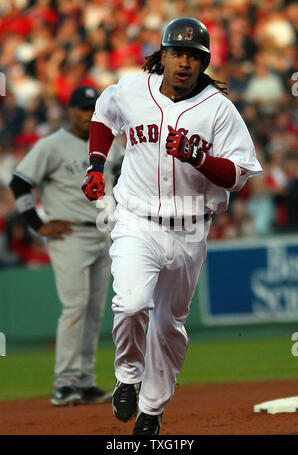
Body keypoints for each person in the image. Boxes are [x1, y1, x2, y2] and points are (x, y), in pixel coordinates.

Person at [81, 18, 263, 434]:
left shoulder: (219, 109)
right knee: (130, 303)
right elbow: (103, 116)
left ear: (204, 63)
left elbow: (238, 174)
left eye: (194, 57)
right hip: (136, 220)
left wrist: (200, 158)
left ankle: (151, 409)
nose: (184, 63)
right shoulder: (131, 89)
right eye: (178, 53)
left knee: (167, 326)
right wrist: (95, 164)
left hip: (190, 230)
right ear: (162, 55)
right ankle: (128, 375)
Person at [9, 86, 115, 407]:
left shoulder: (108, 143)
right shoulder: (52, 145)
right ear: (70, 111)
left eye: (93, 108)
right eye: (83, 108)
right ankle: (63, 382)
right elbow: (19, 182)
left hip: (102, 232)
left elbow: (123, 177)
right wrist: (38, 225)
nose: (88, 114)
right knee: (75, 306)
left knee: (95, 310)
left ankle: (85, 381)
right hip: (68, 235)